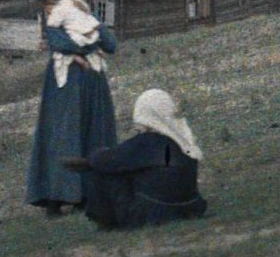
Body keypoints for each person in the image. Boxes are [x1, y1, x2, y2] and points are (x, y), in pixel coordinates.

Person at [26, 0, 118, 216]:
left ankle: (87, 195)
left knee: (94, 131)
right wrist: (87, 44)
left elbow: (111, 45)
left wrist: (96, 30)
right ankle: (56, 195)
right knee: (65, 133)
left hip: (93, 80)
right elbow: (59, 42)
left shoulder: (91, 17)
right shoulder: (58, 14)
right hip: (66, 82)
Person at [62, 87, 208, 229]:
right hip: (189, 208)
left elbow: (107, 160)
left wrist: (93, 157)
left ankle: (105, 221)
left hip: (158, 213)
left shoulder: (148, 141)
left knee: (103, 170)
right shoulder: (183, 140)